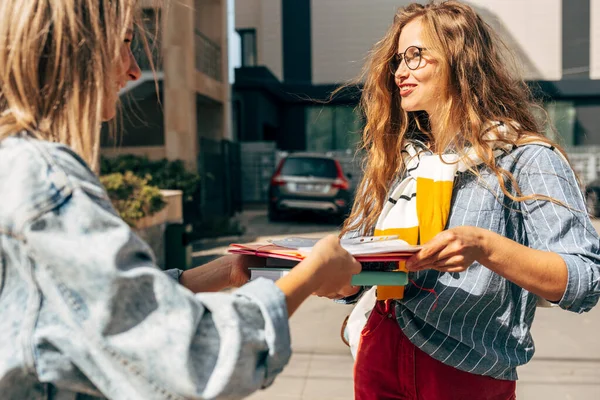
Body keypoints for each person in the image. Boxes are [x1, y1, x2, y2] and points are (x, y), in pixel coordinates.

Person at [0, 1, 362, 399]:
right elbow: (194, 358)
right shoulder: (48, 182)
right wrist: (310, 275)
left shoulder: (16, 165)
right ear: (78, 48)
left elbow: (91, 312)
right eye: (123, 42)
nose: (134, 68)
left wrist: (220, 274)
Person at [326, 2, 600, 399]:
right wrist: (341, 281)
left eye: (415, 56)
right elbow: (372, 265)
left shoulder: (525, 158)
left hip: (465, 371)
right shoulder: (401, 159)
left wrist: (485, 246)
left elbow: (585, 280)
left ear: (460, 59)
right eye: (398, 59)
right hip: (380, 350)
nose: (400, 71)